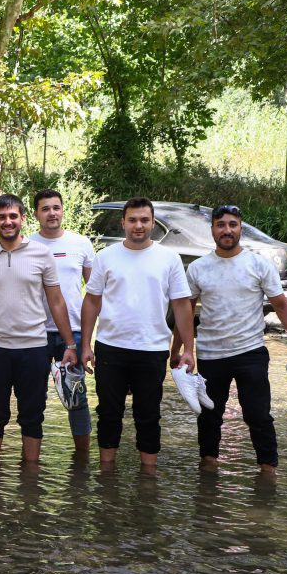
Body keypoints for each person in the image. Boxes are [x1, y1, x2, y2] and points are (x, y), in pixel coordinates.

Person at [173, 204, 287, 474]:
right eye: (221, 225)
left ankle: (268, 471)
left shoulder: (258, 264)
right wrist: (181, 349)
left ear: (240, 228)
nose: (227, 230)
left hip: (250, 352)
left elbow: (283, 308)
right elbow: (185, 311)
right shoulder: (198, 268)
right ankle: (208, 468)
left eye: (232, 224)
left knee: (258, 415)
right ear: (213, 230)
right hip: (210, 354)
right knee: (209, 416)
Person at [80, 197, 195, 469]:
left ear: (153, 222)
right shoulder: (106, 256)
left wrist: (188, 349)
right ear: (123, 223)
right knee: (108, 413)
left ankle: (149, 476)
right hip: (111, 346)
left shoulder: (169, 258)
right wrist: (86, 344)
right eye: (132, 220)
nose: (138, 225)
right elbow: (92, 301)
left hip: (153, 348)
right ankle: (106, 473)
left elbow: (181, 305)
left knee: (148, 415)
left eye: (144, 220)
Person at [0, 194, 78, 463]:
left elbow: (56, 301)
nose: (8, 221)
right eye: (2, 217)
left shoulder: (41, 254)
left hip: (33, 349)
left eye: (13, 216)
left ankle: (31, 480)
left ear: (22, 219)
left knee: (32, 416)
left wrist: (70, 344)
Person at [29, 188, 95, 453]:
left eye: (56, 207)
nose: (51, 213)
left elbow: (96, 290)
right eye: (45, 209)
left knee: (77, 398)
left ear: (63, 210)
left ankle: (82, 460)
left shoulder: (81, 244)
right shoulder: (27, 244)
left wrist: (91, 339)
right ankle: (31, 460)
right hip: (34, 332)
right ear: (35, 214)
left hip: (74, 333)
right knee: (34, 400)